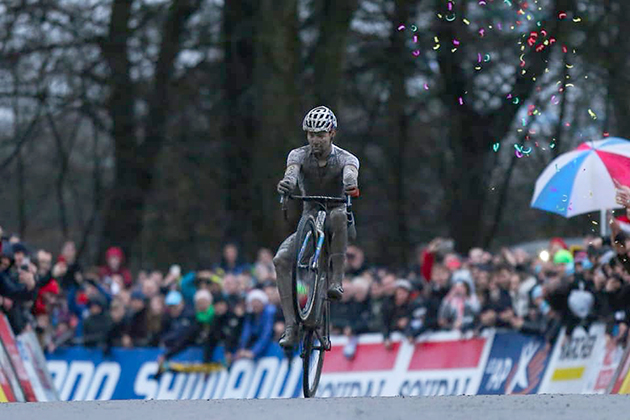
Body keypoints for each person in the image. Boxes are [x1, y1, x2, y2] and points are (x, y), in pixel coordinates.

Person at [273, 106, 360, 348]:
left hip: (336, 215)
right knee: (280, 260)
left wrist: (350, 181)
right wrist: (287, 185)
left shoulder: (346, 158)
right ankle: (291, 326)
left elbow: (351, 172)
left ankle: (336, 279)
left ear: (332, 133)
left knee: (339, 216)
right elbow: (291, 173)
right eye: (311, 135)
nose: (315, 140)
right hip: (309, 217)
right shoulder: (297, 155)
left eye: (320, 135)